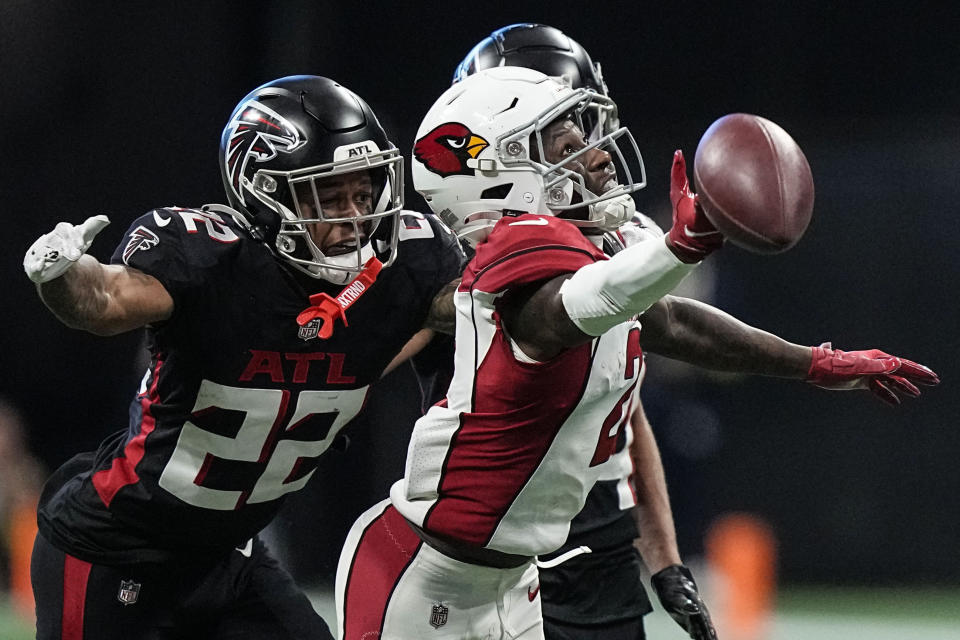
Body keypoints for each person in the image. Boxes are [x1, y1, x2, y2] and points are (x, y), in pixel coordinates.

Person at [334, 66, 938, 640]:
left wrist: (812, 363)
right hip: (420, 572)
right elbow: (572, 309)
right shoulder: (512, 252)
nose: (594, 156)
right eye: (561, 143)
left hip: (514, 581)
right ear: (496, 174)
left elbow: (674, 324)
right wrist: (679, 249)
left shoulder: (592, 256)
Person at [21, 74, 465, 640]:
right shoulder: (213, 259)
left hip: (228, 554)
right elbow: (103, 298)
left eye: (363, 192)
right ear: (265, 194)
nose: (354, 217)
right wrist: (61, 276)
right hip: (115, 547)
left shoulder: (406, 268)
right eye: (326, 197)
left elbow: (479, 302)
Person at [454, 23, 704, 640]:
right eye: (563, 134)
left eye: (586, 127)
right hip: (490, 551)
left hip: (600, 552)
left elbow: (625, 412)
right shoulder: (452, 258)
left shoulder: (618, 244)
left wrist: (666, 559)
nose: (593, 152)